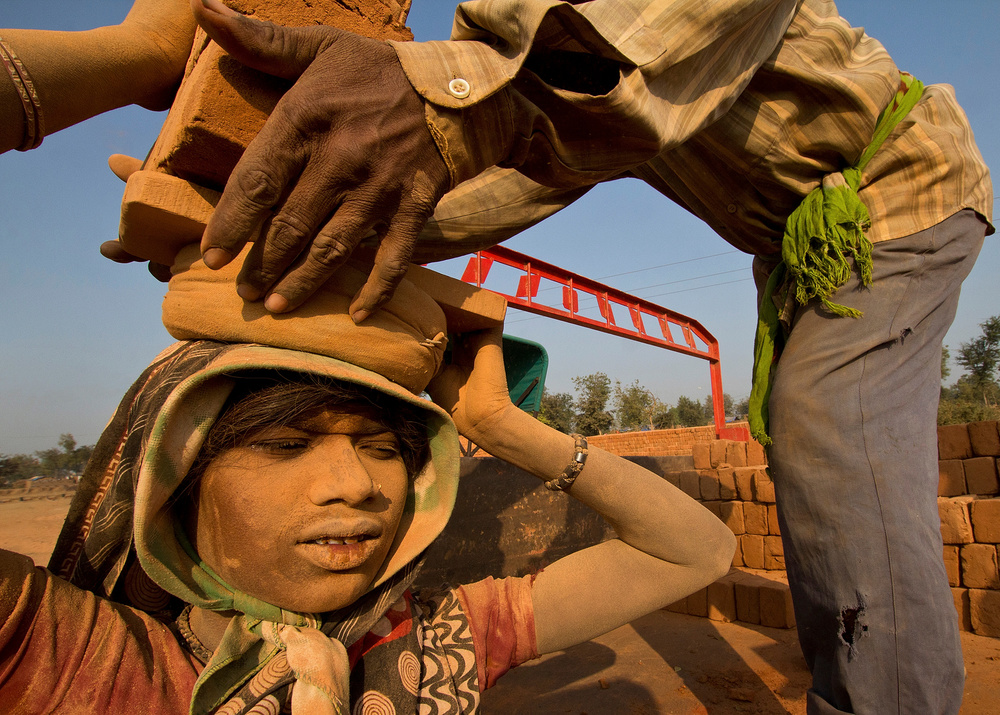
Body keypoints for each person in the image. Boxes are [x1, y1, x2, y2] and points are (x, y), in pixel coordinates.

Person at [167, 2, 992, 714]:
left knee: (830, 428)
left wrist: (450, 106)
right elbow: (524, 166)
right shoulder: (524, 43)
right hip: (803, 240)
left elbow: (585, 65)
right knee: (820, 462)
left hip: (894, 186)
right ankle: (859, 666)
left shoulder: (584, 34)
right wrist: (325, 214)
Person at [0, 244, 736, 713]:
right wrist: (135, 60)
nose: (354, 483)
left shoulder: (443, 636)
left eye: (383, 448)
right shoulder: (74, 655)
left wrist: (510, 430)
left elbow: (693, 552)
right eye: (287, 443)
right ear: (178, 478)